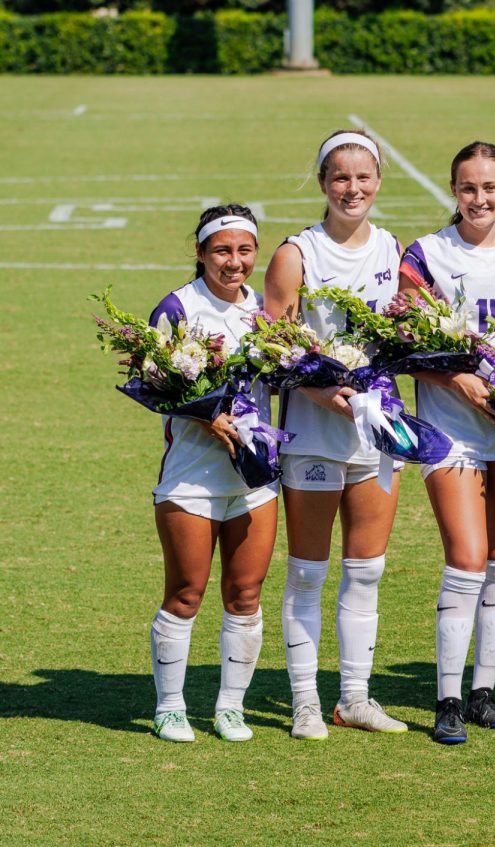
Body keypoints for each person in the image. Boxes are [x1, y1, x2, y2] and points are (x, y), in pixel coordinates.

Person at [397, 141, 495, 744]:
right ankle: (447, 700)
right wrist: (458, 379)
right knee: (467, 557)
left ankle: (484, 692)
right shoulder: (427, 254)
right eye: (466, 188)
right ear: (452, 191)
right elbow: (402, 344)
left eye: (489, 187)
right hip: (450, 430)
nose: (478, 198)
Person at [264, 129, 407, 740]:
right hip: (315, 431)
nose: (353, 188)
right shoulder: (296, 254)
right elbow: (275, 350)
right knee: (307, 570)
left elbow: (401, 336)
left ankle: (354, 697)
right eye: (341, 178)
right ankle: (303, 700)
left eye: (364, 177)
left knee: (367, 569)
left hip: (374, 433)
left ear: (378, 181)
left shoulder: (393, 248)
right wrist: (333, 396)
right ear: (323, 183)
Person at [148, 205, 276, 743]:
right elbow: (152, 384)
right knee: (185, 591)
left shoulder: (268, 312)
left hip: (254, 480)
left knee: (245, 594)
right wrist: (206, 412)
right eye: (222, 251)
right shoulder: (177, 308)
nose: (234, 262)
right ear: (200, 253)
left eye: (244, 250)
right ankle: (170, 707)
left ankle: (230, 708)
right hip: (191, 478)